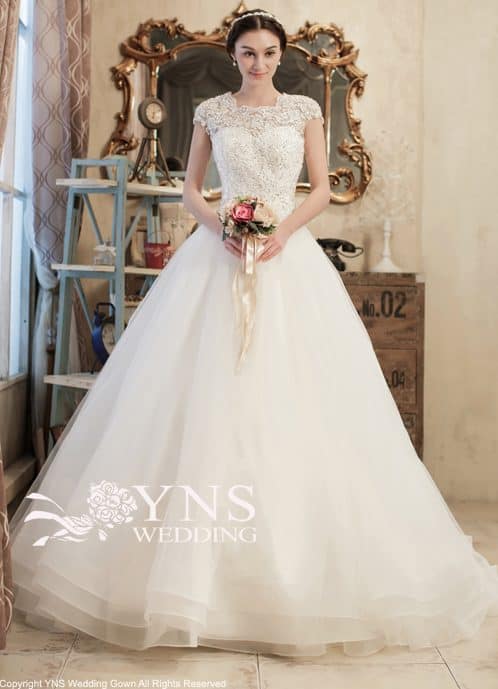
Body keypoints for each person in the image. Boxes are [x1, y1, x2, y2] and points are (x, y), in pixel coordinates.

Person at [8, 8, 498, 658]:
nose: (259, 63)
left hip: (288, 261)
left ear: (280, 56)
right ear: (233, 56)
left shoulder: (303, 110)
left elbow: (318, 189)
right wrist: (227, 231)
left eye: (268, 53)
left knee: (301, 401)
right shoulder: (212, 111)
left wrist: (279, 234)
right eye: (248, 53)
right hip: (217, 258)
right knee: (202, 398)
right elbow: (191, 191)